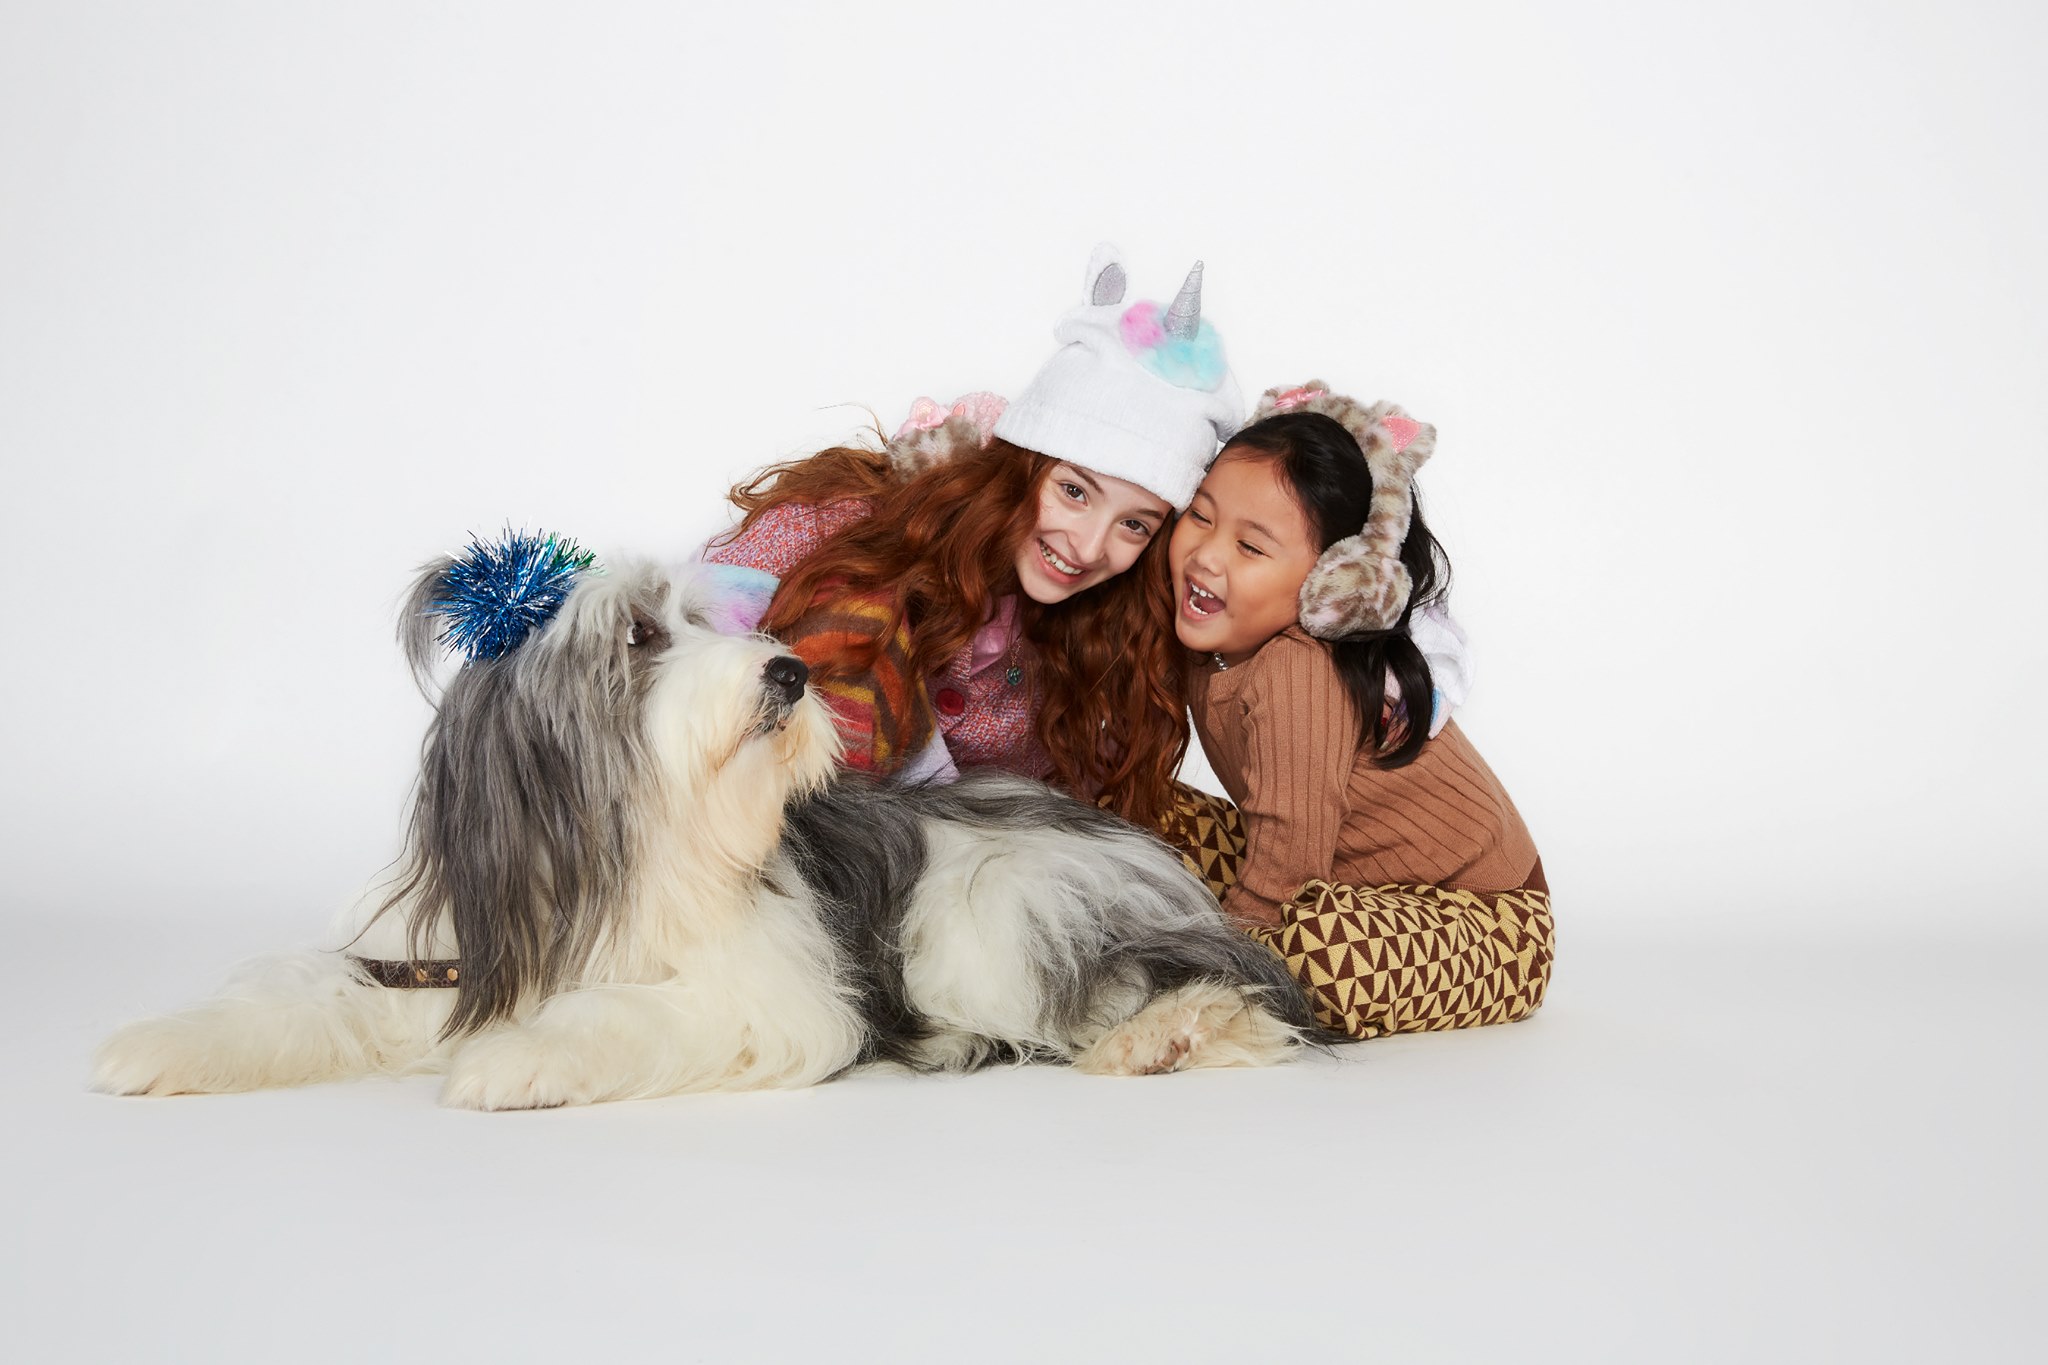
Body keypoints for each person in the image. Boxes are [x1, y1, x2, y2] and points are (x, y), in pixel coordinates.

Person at [703, 245, 1241, 828]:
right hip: (749, 820)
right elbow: (682, 636)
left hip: (927, 863)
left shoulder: (1100, 635)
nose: (1087, 548)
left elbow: (1055, 812)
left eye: (1134, 524)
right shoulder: (857, 517)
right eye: (1074, 492)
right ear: (1024, 464)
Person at [1161, 380, 1553, 1038]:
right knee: (1143, 809)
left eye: (1251, 547)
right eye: (1200, 515)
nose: (1205, 555)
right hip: (1348, 884)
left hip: (1489, 922)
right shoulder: (1212, 632)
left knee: (1312, 950)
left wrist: (1206, 971)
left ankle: (1220, 979)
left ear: (1330, 583)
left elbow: (1288, 868)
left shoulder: (1296, 668)